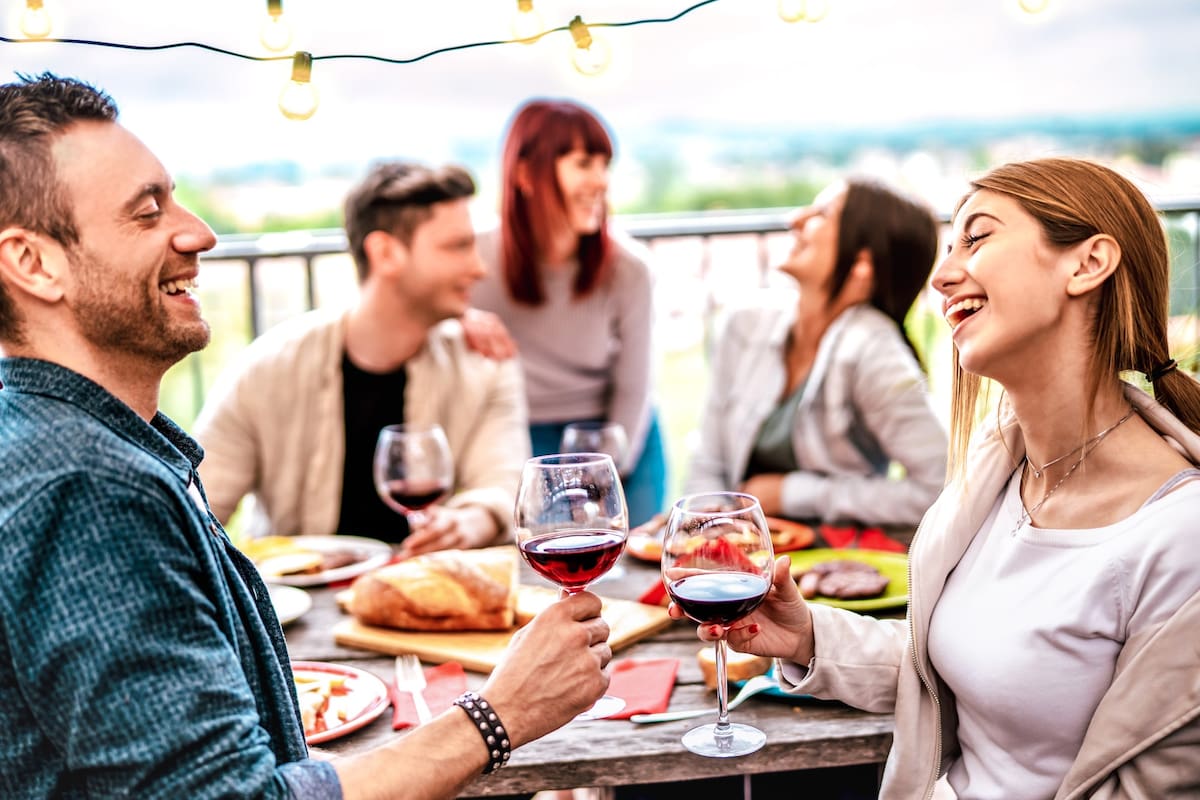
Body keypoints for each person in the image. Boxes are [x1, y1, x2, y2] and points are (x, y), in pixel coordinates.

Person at [0, 73, 612, 798]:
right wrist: (499, 714)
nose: (199, 232)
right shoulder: (87, 489)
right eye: (146, 211)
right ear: (33, 264)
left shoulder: (86, 448)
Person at [678, 158, 1200, 798]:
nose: (943, 275)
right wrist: (809, 635)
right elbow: (969, 665)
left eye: (976, 238)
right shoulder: (1002, 469)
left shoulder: (1181, 540)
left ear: (1087, 264)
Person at [194, 160, 532, 556]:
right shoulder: (267, 368)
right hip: (298, 608)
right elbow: (195, 508)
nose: (479, 267)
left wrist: (471, 521)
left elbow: (503, 483)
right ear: (386, 252)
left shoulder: (487, 362)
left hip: (431, 602)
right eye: (457, 246)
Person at [684, 178, 948, 528]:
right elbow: (708, 459)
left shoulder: (876, 354)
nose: (796, 219)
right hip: (736, 554)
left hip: (834, 562)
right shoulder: (744, 322)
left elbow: (941, 490)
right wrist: (711, 527)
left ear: (861, 264)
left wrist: (795, 493)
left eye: (822, 213)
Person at [467, 97, 668, 527]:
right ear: (524, 173)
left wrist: (599, 477)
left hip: (613, 439)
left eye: (604, 165)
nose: (601, 182)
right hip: (516, 438)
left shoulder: (628, 269)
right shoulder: (475, 259)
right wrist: (457, 317)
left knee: (627, 576)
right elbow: (421, 311)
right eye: (582, 163)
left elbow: (635, 390)